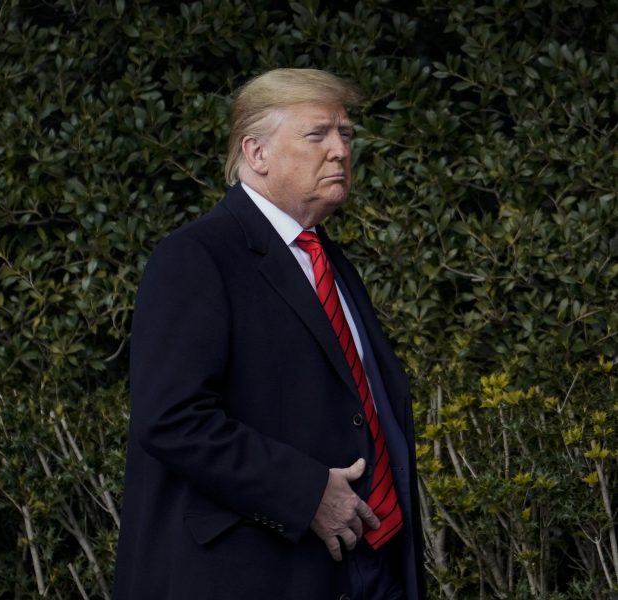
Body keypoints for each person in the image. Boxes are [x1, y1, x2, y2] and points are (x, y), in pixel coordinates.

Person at [112, 68, 425, 600]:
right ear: (256, 153)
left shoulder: (327, 259)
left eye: (346, 135)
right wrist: (307, 496)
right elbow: (171, 419)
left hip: (368, 564)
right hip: (256, 571)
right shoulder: (196, 256)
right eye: (317, 135)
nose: (340, 151)